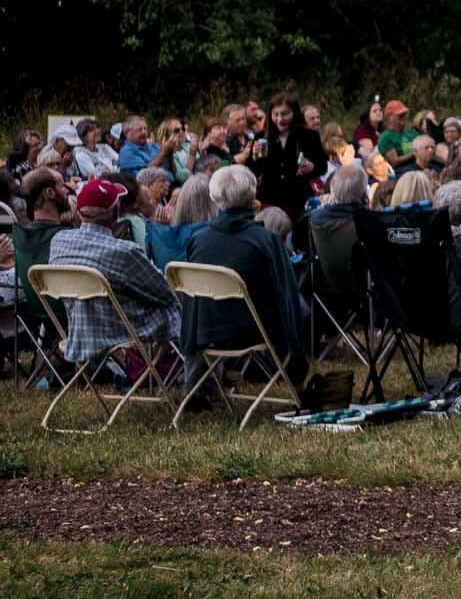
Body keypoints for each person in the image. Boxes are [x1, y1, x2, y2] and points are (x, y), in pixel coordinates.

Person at [183, 165, 308, 385]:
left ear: (214, 197)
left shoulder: (198, 239)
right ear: (252, 195)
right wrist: (297, 359)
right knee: (300, 304)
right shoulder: (265, 240)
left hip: (206, 331)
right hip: (253, 330)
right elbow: (287, 296)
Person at [49, 179, 180, 368]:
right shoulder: (123, 252)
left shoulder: (59, 242)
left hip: (79, 331)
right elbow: (165, 292)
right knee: (175, 306)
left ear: (79, 211)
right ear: (116, 212)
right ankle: (178, 366)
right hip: (119, 330)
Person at [254, 94, 324, 225]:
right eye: (276, 114)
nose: (280, 119)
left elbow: (322, 166)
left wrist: (312, 167)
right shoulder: (262, 136)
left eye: (285, 114)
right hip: (270, 202)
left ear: (295, 113)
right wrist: (254, 157)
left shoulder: (309, 136)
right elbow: (254, 170)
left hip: (298, 201)